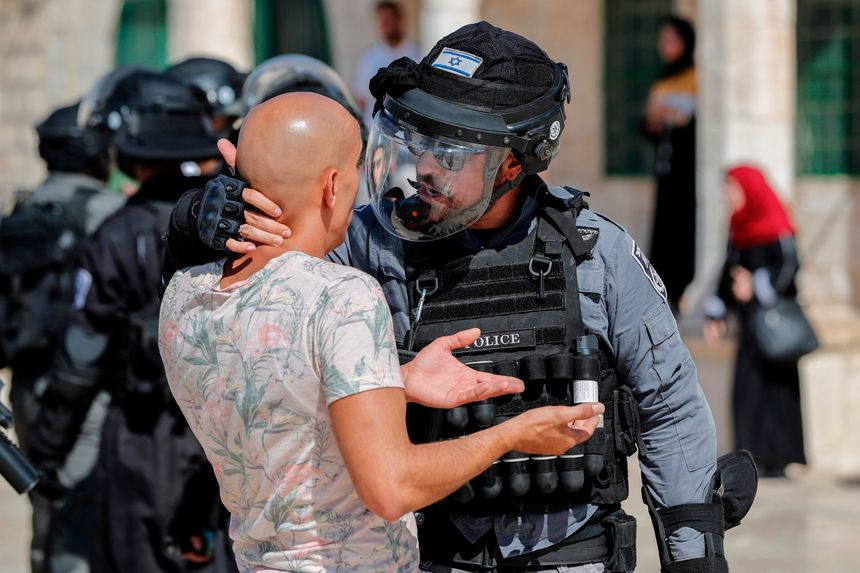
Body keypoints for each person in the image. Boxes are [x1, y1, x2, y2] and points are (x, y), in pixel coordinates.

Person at [164, 22, 756, 573]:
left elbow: (670, 407)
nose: (424, 167)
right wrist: (198, 222)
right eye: (421, 141)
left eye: (450, 154)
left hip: (571, 553)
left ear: (510, 166)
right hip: (427, 551)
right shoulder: (367, 243)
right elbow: (237, 310)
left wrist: (694, 556)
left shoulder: (596, 256)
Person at [159, 91, 603, 572]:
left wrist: (398, 379)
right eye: (354, 168)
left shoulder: (184, 294)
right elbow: (392, 488)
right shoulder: (342, 295)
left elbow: (276, 394)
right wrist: (513, 434)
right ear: (332, 186)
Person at [27, 70, 236, 573]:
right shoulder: (235, 220)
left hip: (143, 442)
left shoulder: (118, 233)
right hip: (231, 441)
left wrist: (47, 453)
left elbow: (81, 358)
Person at [0, 98, 125, 573]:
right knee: (86, 516)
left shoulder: (27, 206)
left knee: (45, 502)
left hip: (30, 385)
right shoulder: (109, 212)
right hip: (89, 390)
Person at [704, 165, 806, 478]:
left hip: (774, 325)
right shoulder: (737, 225)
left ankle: (779, 457)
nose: (727, 195)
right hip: (750, 327)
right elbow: (728, 269)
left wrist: (757, 285)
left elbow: (789, 266)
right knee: (748, 391)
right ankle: (751, 457)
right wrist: (717, 311)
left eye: (732, 188)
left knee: (777, 392)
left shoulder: (775, 223)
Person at [643, 16, 697, 312]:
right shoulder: (663, 77)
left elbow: (694, 123)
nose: (664, 45)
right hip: (665, 168)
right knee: (663, 231)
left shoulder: (695, 75)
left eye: (671, 39)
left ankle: (682, 290)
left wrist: (671, 117)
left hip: (687, 172)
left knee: (683, 230)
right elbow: (649, 123)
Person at [351, 1, 421, 128]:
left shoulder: (418, 53)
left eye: (388, 18)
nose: (385, 24)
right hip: (376, 129)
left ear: (399, 19)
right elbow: (360, 98)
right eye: (382, 20)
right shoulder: (368, 58)